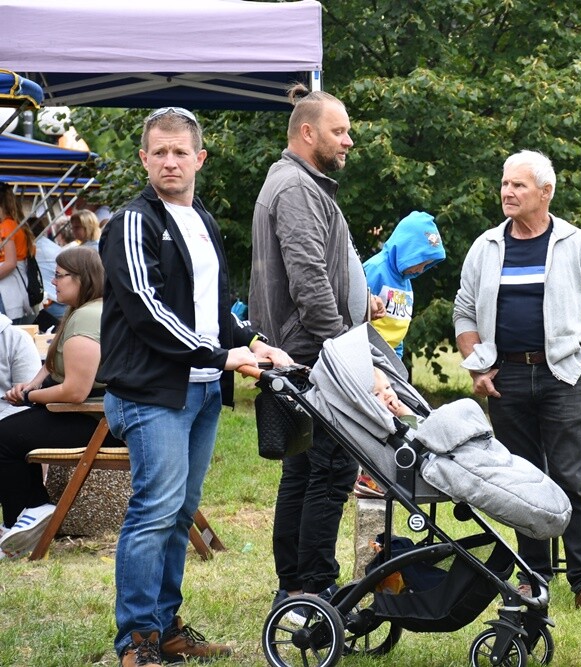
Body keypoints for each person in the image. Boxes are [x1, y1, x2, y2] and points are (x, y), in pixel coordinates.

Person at [100, 106, 292, 667]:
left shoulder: (202, 221)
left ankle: (164, 628)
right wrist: (221, 354)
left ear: (199, 159)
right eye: (158, 151)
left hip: (203, 391)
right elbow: (147, 311)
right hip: (152, 394)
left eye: (180, 151)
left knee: (179, 515)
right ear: (143, 159)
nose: (169, 161)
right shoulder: (134, 222)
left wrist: (251, 342)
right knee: (153, 512)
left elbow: (212, 313)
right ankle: (136, 642)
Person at [453, 149, 581, 616]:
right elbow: (464, 310)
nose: (507, 192)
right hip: (505, 378)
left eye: (518, 185)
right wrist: (476, 365)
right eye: (505, 183)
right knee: (523, 482)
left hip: (562, 378)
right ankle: (533, 579)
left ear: (545, 193)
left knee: (571, 480)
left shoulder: (576, 244)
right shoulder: (486, 246)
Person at [250, 84, 385, 612]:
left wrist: (362, 298)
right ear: (308, 133)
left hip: (305, 353)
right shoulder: (298, 188)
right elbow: (308, 282)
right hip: (313, 359)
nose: (349, 140)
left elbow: (320, 272)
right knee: (328, 474)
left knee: (305, 471)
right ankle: (313, 589)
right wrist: (347, 358)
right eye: (339, 130)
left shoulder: (300, 182)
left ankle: (296, 588)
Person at [0, 247, 113, 558]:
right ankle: (30, 516)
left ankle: (25, 519)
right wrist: (33, 384)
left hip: (96, 421)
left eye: (60, 276)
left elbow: (75, 391)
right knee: (12, 430)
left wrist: (32, 397)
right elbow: (55, 365)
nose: (54, 281)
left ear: (81, 279)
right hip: (94, 417)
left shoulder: (86, 318)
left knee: (4, 438)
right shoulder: (87, 310)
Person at [363, 210, 446, 359]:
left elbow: (397, 332)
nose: (421, 270)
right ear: (406, 250)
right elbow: (354, 319)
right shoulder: (375, 270)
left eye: (426, 265)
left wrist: (397, 363)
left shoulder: (406, 283)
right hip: (367, 359)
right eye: (419, 262)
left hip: (390, 361)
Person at [0, 183, 32, 324]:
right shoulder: (14, 224)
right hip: (13, 289)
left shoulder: (6, 227)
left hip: (7, 291)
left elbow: (10, 263)